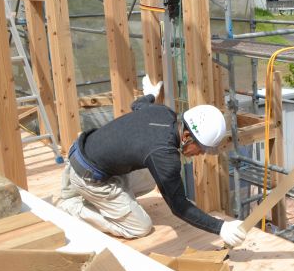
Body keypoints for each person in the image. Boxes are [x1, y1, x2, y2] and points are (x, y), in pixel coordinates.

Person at [57, 76, 246, 247]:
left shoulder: (164, 113)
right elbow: (180, 207)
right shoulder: (164, 154)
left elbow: (138, 105)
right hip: (89, 179)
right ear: (187, 136)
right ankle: (72, 206)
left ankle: (112, 202)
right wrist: (221, 228)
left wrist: (150, 95)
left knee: (151, 176)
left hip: (80, 155)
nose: (201, 154)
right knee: (140, 227)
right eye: (202, 148)